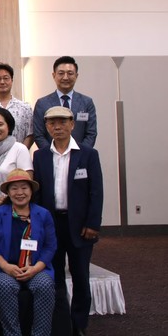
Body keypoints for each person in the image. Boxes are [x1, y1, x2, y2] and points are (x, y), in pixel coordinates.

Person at [32, 106, 103, 336]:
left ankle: (79, 324)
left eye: (62, 122)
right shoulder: (40, 155)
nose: (57, 127)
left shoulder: (88, 154)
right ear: (46, 127)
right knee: (54, 276)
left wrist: (93, 224)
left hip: (80, 226)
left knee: (80, 275)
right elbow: (38, 193)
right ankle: (61, 324)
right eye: (52, 123)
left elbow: (96, 192)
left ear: (72, 124)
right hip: (51, 224)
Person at [0, 169, 57, 336]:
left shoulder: (43, 214)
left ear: (31, 191)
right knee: (5, 285)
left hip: (36, 268)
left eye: (24, 187)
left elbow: (50, 246)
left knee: (44, 285)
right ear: (8, 192)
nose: (20, 193)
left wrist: (35, 269)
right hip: (5, 268)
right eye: (14, 188)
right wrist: (6, 267)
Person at [32, 56, 97, 149]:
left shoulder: (86, 102)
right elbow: (39, 135)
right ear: (54, 75)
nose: (65, 77)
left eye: (70, 73)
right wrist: (53, 153)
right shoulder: (42, 104)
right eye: (61, 73)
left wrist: (81, 154)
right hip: (51, 155)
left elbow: (91, 133)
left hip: (80, 155)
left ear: (76, 76)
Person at [0, 108, 33, 213]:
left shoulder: (19, 149)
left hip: (15, 208)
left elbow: (28, 181)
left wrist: (6, 199)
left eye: (0, 124)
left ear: (9, 126)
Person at [0, 62, 34, 147]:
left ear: (12, 80)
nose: (2, 82)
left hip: (19, 153)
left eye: (6, 78)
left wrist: (20, 152)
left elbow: (30, 134)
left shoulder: (25, 107)